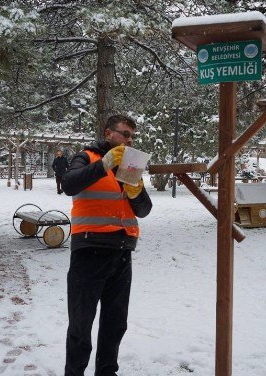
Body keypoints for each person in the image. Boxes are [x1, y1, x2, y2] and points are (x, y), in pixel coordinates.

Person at [62, 114, 152, 376]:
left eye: (132, 136)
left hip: (122, 251)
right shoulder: (87, 157)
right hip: (89, 250)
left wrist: (137, 193)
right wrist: (104, 164)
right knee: (81, 323)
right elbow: (69, 184)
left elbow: (144, 210)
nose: (129, 140)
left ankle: (107, 372)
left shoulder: (130, 166)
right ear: (108, 133)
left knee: (115, 323)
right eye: (124, 134)